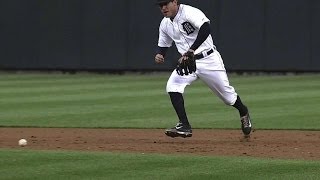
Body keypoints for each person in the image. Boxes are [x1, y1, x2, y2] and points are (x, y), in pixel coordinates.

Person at [154, 0, 252, 138]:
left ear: (175, 2)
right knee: (173, 86)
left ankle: (243, 111)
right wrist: (160, 54)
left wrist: (191, 50)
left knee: (228, 98)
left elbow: (206, 27)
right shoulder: (165, 23)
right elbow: (164, 43)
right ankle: (184, 125)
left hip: (209, 60)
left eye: (166, 3)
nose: (163, 8)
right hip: (188, 62)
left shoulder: (189, 12)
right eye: (160, 5)